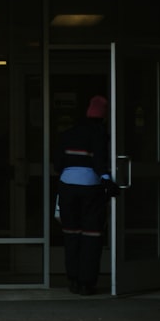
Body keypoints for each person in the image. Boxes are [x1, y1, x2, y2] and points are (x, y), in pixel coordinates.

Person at [53, 95, 119, 295]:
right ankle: (86, 282)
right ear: (103, 117)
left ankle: (73, 279)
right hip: (91, 188)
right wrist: (108, 180)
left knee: (71, 235)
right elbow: (99, 164)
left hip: (67, 187)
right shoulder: (99, 134)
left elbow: (58, 165)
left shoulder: (68, 134)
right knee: (91, 236)